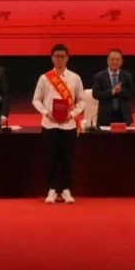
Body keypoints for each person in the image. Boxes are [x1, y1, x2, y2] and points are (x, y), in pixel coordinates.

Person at [32, 43, 85, 204]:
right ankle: (52, 189)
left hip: (69, 125)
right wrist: (46, 113)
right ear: (52, 58)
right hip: (49, 124)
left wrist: (72, 114)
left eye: (63, 56)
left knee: (67, 158)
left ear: (67, 58)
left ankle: (66, 189)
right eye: (57, 56)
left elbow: (82, 101)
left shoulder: (75, 78)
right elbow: (36, 100)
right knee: (51, 158)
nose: (60, 59)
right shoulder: (44, 78)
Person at [91, 48, 135, 128]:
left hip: (123, 116)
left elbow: (132, 92)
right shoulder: (99, 76)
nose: (115, 62)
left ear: (121, 62)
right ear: (107, 61)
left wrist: (120, 91)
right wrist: (111, 92)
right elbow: (95, 94)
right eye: (112, 59)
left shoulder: (127, 76)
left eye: (117, 60)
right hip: (105, 117)